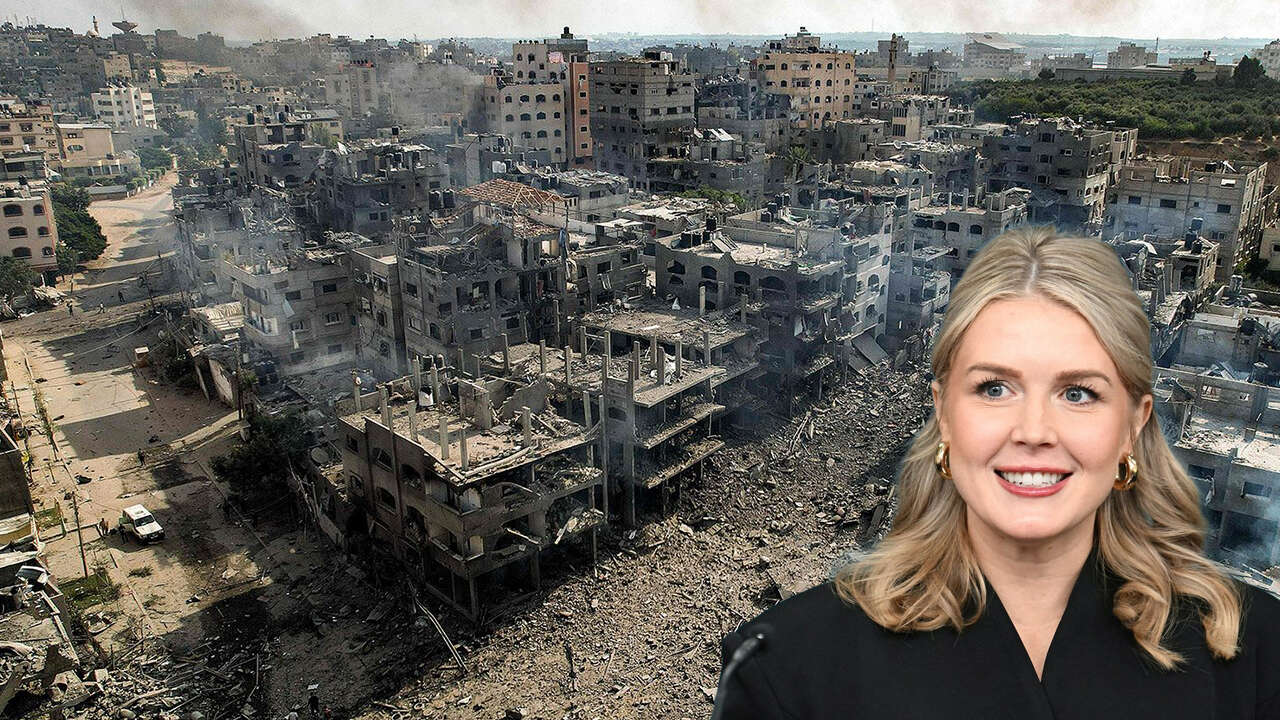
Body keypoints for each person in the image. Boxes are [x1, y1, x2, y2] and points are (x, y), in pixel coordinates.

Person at [712, 227, 1280, 719]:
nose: (1033, 431)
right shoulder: (790, 672)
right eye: (994, 389)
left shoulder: (1253, 657)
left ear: (1133, 425)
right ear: (943, 414)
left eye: (1078, 393)